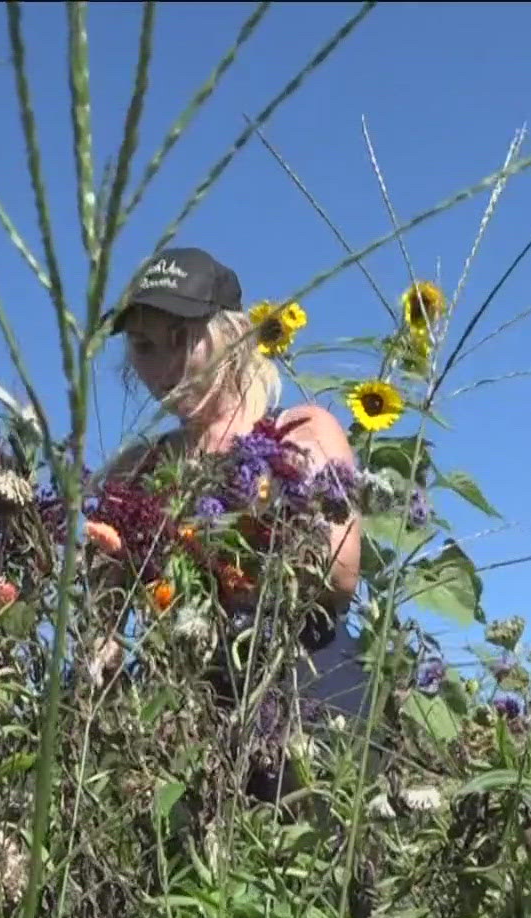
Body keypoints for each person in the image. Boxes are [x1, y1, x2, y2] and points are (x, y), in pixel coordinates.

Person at [105, 247, 373, 797]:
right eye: (146, 346)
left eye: (183, 338)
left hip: (307, 691)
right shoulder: (137, 469)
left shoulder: (300, 431)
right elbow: (100, 603)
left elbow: (341, 572)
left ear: (231, 335)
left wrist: (212, 549)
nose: (167, 365)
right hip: (185, 713)